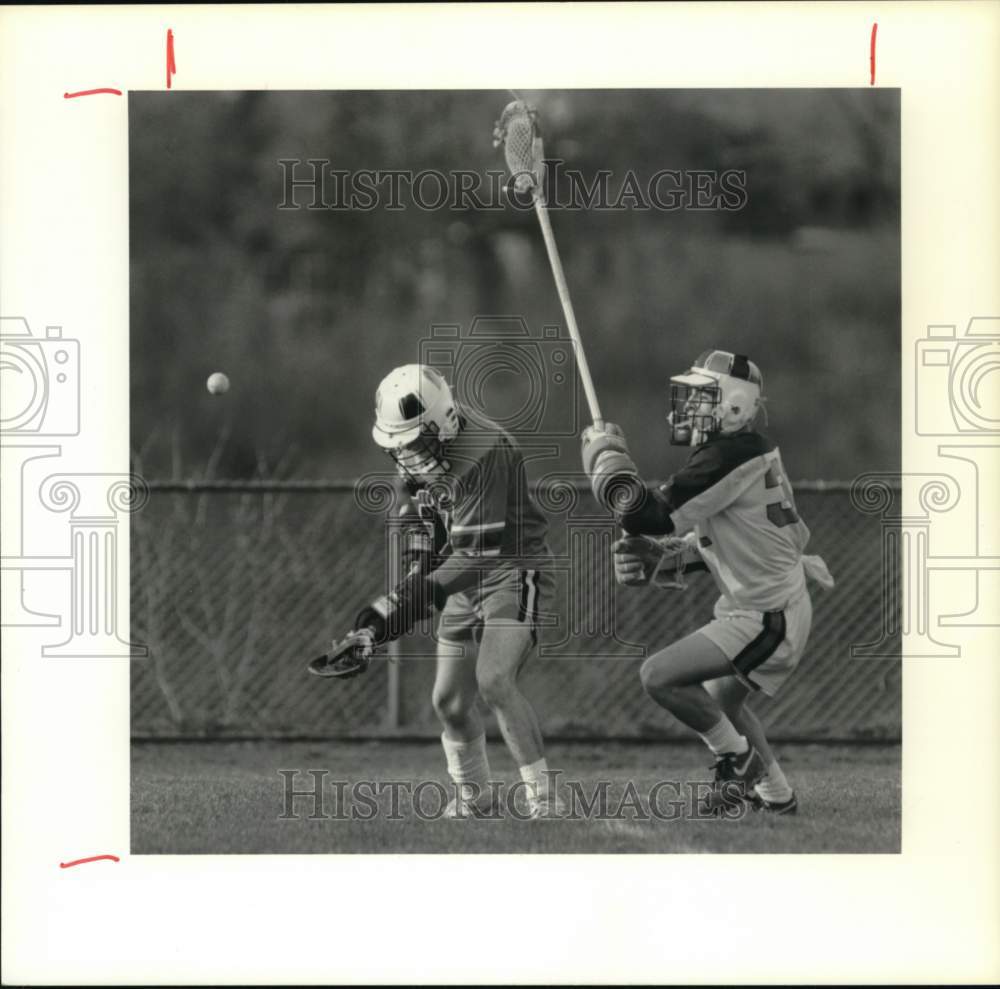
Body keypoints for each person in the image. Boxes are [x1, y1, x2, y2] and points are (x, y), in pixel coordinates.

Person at [580, 350, 834, 814]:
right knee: (722, 701)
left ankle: (736, 760)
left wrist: (606, 458)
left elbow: (649, 517)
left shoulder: (727, 456)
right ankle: (777, 797)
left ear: (734, 405)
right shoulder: (739, 451)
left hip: (766, 615)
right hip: (766, 604)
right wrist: (659, 560)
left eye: (699, 397)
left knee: (658, 676)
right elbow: (722, 546)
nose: (683, 408)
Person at [328, 364, 564, 819]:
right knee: (448, 702)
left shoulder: (484, 450)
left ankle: (545, 799)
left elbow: (476, 554)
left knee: (494, 679)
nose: (409, 458)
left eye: (416, 445)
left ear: (443, 426)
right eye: (402, 448)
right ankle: (476, 799)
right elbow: (420, 519)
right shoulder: (418, 452)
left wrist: (398, 606)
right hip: (463, 572)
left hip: (511, 568)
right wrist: (389, 610)